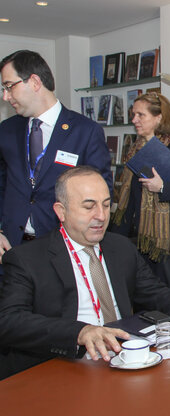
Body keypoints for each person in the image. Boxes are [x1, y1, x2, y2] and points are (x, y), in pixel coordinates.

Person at [0, 166, 170, 380]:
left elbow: (152, 290)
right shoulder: (28, 258)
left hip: (126, 359)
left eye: (106, 205)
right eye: (89, 207)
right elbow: (9, 321)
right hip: (66, 366)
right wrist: (79, 332)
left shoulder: (121, 247)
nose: (101, 216)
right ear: (61, 211)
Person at [0, 49, 111, 259]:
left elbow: (101, 193)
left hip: (62, 250)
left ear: (34, 82)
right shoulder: (6, 130)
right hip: (12, 248)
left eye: (8, 87)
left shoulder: (85, 131)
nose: (5, 96)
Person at [110, 92, 170, 279]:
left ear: (159, 118)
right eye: (133, 114)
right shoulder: (135, 150)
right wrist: (115, 240)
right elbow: (129, 201)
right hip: (141, 241)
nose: (134, 119)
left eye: (140, 115)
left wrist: (162, 187)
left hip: (168, 244)